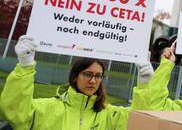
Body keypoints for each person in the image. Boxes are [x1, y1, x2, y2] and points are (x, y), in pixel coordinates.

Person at [0, 35, 154, 129]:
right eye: (88, 74)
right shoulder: (47, 108)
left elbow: (139, 122)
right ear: (75, 76)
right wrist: (25, 67)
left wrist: (144, 86)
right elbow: (14, 112)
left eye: (98, 76)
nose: (93, 81)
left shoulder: (110, 114)